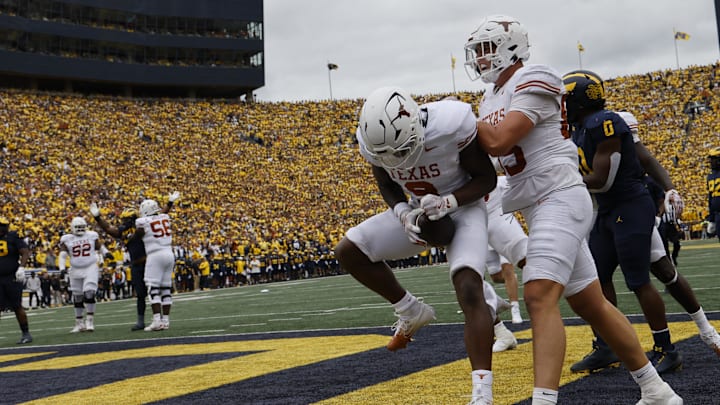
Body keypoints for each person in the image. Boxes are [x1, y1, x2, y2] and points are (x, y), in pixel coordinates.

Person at [465, 15, 681, 404]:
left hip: (560, 196)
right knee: (590, 303)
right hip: (536, 203)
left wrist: (460, 121)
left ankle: (544, 401)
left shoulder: (537, 76)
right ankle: (657, 391)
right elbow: (497, 158)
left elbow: (498, 141)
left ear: (511, 47)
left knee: (539, 296)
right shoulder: (491, 97)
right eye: (477, 52)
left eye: (486, 50)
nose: (480, 59)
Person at [334, 86, 501, 404]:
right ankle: (410, 310)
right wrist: (400, 212)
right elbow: (385, 180)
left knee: (468, 288)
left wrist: (449, 201)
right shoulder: (375, 141)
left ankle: (482, 395)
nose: (396, 159)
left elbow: (486, 180)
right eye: (386, 154)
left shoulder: (451, 123)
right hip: (417, 212)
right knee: (349, 250)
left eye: (400, 149)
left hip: (462, 207)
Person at [564, 70, 687, 375]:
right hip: (608, 210)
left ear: (578, 99)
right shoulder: (580, 128)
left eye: (565, 99)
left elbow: (602, 179)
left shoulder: (603, 122)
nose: (561, 105)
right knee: (597, 278)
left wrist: (561, 180)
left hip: (630, 205)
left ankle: (666, 348)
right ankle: (607, 346)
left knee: (638, 280)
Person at [90, 191, 178, 330]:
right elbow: (108, 229)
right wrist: (97, 218)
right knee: (141, 294)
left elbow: (155, 217)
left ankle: (159, 320)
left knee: (156, 289)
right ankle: (143, 321)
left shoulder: (141, 225)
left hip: (150, 261)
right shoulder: (129, 228)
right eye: (123, 219)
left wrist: (169, 203)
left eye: (127, 219)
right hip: (137, 265)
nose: (124, 222)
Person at [134, 198, 176, 331]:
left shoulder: (141, 221)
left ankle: (157, 320)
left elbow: (138, 235)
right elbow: (162, 212)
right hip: (169, 253)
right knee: (165, 288)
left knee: (153, 288)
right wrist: (169, 203)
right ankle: (166, 321)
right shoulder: (165, 217)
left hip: (155, 255)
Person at [59, 216, 106, 332]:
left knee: (89, 293)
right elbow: (63, 255)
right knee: (77, 296)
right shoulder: (67, 239)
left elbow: (99, 247)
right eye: (78, 227)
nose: (80, 229)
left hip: (90, 267)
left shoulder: (91, 235)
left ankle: (89, 320)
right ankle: (79, 323)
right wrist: (62, 268)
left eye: (82, 227)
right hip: (75, 269)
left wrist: (106, 253)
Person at [0, 217, 33, 344]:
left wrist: (22, 267)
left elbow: (25, 252)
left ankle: (26, 333)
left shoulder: (13, 236)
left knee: (17, 306)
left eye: (2, 226)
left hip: (11, 277)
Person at [707, 146, 720, 242]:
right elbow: (711, 198)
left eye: (713, 159)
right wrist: (711, 219)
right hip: (717, 215)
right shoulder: (711, 176)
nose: (711, 161)